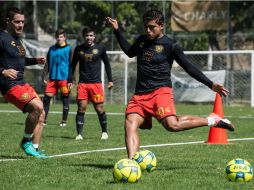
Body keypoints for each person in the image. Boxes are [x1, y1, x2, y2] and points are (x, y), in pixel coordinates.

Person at [105, 10, 235, 159]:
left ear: (161, 26)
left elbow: (189, 67)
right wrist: (116, 30)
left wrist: (210, 84)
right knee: (130, 123)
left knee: (172, 125)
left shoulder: (170, 45)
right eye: (146, 26)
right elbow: (129, 52)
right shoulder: (141, 40)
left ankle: (213, 120)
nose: (148, 30)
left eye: (152, 27)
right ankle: (131, 163)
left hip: (160, 91)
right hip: (140, 95)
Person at [0, 7, 48, 158]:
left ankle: (34, 148)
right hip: (9, 85)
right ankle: (26, 141)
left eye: (22, 22)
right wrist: (2, 71)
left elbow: (19, 61)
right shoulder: (1, 38)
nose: (21, 25)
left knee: (41, 114)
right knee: (37, 106)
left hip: (21, 82)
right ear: (8, 21)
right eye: (17, 22)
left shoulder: (17, 39)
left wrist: (35, 60)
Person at [70, 26, 113, 140]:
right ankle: (79, 134)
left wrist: (110, 80)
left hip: (96, 84)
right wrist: (70, 79)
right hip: (83, 84)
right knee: (81, 108)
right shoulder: (78, 49)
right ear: (84, 37)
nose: (89, 38)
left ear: (94, 37)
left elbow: (107, 65)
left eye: (91, 35)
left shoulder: (101, 48)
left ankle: (104, 132)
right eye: (87, 35)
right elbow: (72, 65)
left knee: (99, 108)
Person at [42, 28, 73, 127]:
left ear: (65, 38)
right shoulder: (51, 49)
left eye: (61, 37)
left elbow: (72, 65)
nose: (59, 39)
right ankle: (44, 120)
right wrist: (44, 75)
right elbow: (47, 63)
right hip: (52, 78)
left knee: (65, 99)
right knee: (46, 99)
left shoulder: (69, 49)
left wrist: (71, 79)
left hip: (64, 79)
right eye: (57, 37)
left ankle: (64, 121)